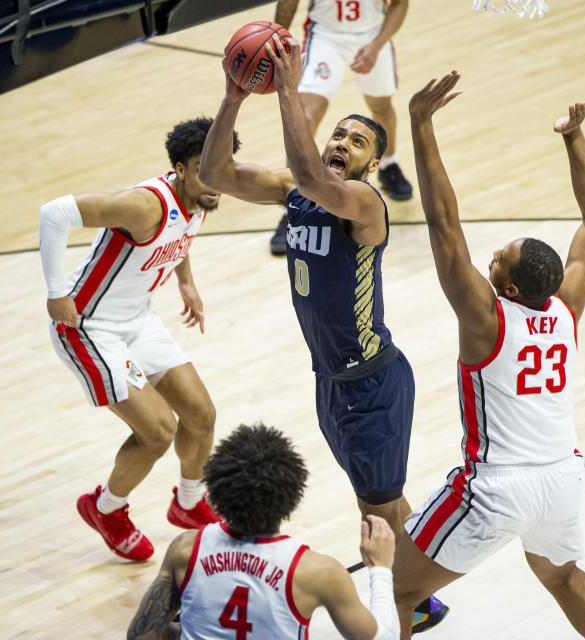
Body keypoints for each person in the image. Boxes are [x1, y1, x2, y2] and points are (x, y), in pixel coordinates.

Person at [199, 37, 447, 632]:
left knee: (375, 507)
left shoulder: (364, 204)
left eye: (356, 142)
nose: (341, 143)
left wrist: (286, 87)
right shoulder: (297, 191)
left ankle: (404, 609)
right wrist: (234, 97)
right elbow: (213, 173)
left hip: (372, 382)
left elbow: (311, 174)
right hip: (331, 380)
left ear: (369, 166)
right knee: (380, 499)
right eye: (338, 133)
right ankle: (424, 591)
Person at [392, 71, 585, 640]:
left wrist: (421, 125)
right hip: (561, 479)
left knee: (395, 588)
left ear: (512, 289)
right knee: (563, 576)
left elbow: (444, 226)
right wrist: (574, 137)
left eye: (498, 259)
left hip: (498, 485)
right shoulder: (566, 309)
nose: (490, 255)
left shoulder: (487, 320)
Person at [38, 118, 239, 562]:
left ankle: (188, 504)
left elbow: (181, 236)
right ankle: (105, 509)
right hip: (88, 326)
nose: (216, 180)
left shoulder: (204, 195)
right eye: (204, 169)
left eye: (221, 167)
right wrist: (56, 293)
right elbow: (54, 213)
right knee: (159, 431)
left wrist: (185, 280)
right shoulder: (144, 206)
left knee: (201, 415)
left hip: (138, 318)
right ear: (180, 169)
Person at [126, 423, 400, 640]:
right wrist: (381, 569)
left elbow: (142, 635)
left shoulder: (186, 548)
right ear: (293, 496)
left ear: (215, 490)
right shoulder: (318, 572)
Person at [269, 0, 413, 256]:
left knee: (381, 106)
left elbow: (401, 4)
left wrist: (377, 45)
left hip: (372, 33)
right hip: (325, 34)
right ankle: (292, 206)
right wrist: (277, 39)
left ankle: (389, 165)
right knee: (305, 117)